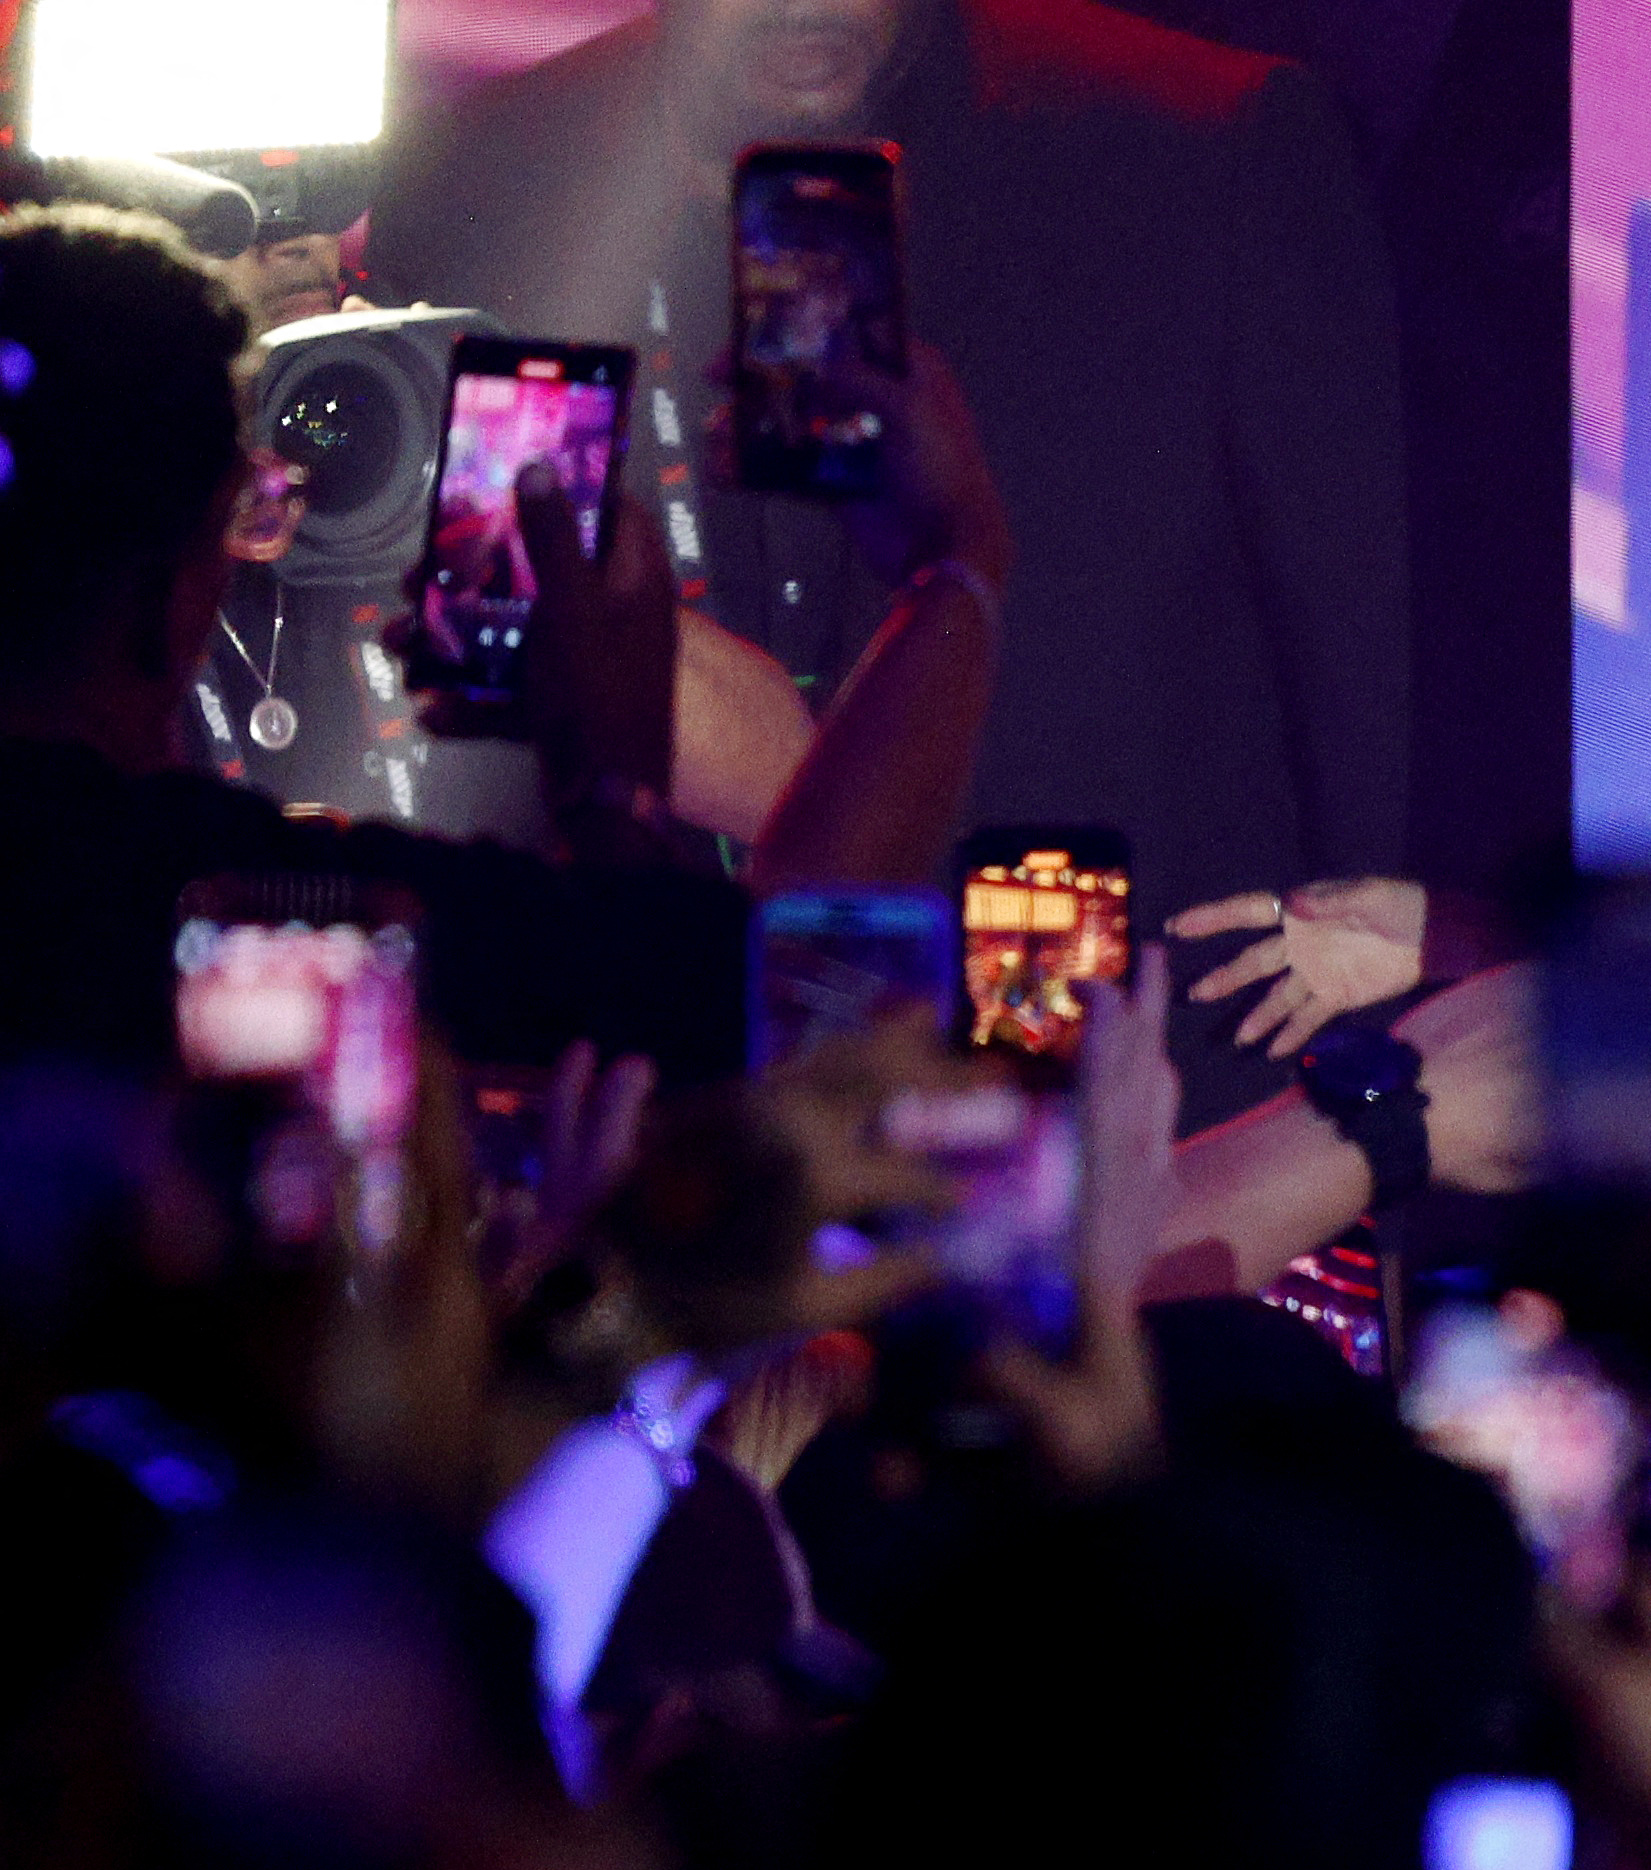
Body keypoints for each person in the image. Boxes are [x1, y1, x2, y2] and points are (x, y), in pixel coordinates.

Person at [369, 0, 1415, 1124]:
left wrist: (1379, 1016)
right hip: (662, 1117)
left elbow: (1359, 640)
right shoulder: (484, 167)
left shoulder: (1203, 142)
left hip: (1104, 1090)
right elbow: (461, 682)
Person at [0, 205, 1004, 1085]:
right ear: (176, 595)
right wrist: (957, 557)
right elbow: (783, 991)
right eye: (244, 499)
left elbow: (767, 804)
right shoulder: (191, 892)